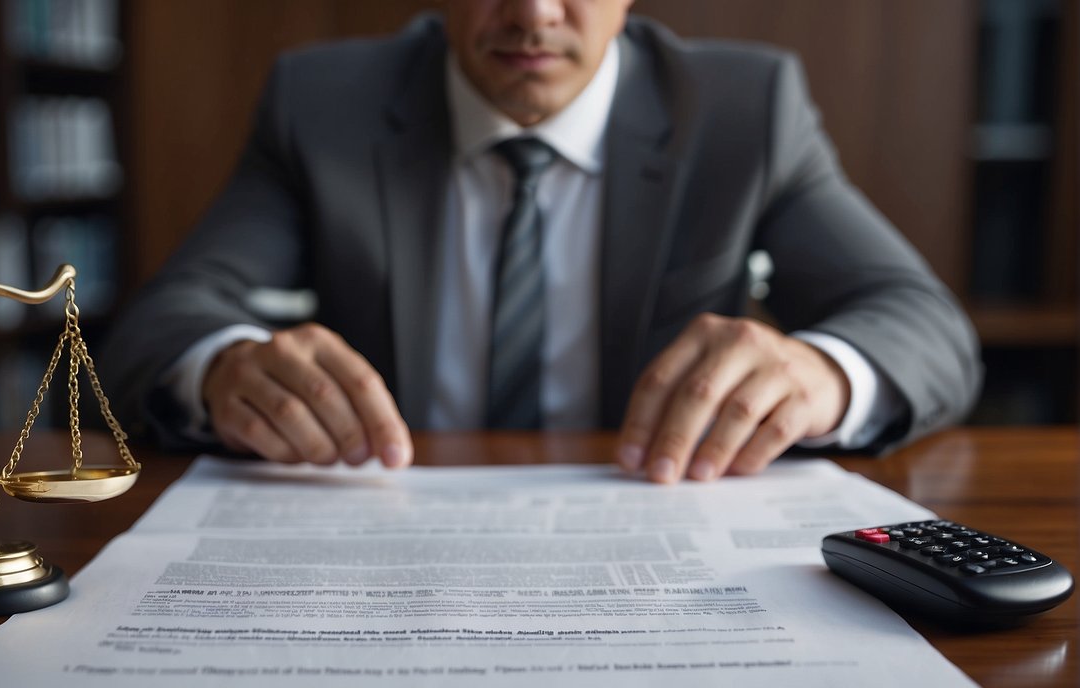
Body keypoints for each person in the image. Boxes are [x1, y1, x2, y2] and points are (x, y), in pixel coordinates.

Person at [100, 0, 982, 484]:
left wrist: (820, 375)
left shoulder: (745, 108)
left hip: (652, 533)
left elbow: (921, 322)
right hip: (384, 537)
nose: (532, 14)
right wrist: (222, 369)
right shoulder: (321, 102)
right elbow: (161, 323)